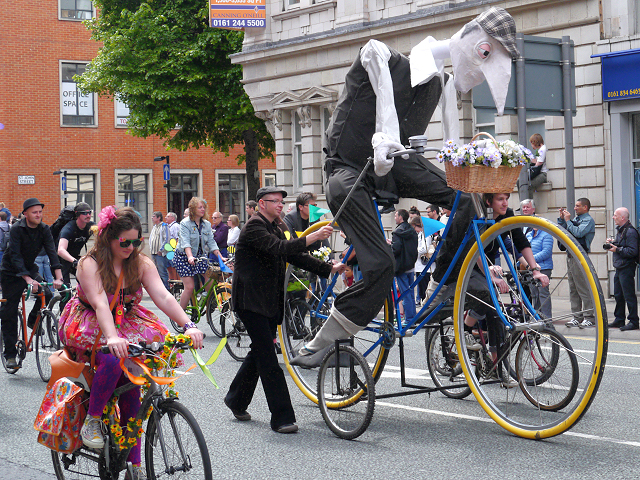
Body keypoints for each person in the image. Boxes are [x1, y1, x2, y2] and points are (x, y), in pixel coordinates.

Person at [292, 7, 519, 365]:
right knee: (382, 264)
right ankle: (323, 340)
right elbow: (382, 91)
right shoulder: (378, 53)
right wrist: (383, 137)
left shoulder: (440, 80)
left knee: (465, 199)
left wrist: (470, 159)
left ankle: (442, 280)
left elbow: (450, 135)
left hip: (396, 163)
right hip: (350, 169)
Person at [58, 206, 204, 479]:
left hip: (128, 319)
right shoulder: (90, 263)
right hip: (92, 320)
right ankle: (92, 419)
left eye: (137, 241)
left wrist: (189, 325)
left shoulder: (140, 262)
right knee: (113, 360)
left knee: (133, 383)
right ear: (107, 238)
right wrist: (112, 337)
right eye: (125, 241)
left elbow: (163, 297)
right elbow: (101, 304)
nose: (131, 247)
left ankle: (133, 464)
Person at [224, 186, 344, 434]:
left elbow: (294, 256)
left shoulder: (277, 227)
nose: (280, 204)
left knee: (259, 352)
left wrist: (327, 268)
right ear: (261, 203)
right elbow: (279, 249)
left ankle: (236, 400)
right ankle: (282, 417)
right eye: (274, 201)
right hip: (250, 302)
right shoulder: (254, 226)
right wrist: (312, 237)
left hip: (267, 301)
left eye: (281, 201)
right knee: (269, 359)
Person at [1, 198, 63, 368]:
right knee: (10, 311)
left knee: (47, 293)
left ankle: (32, 319)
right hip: (10, 272)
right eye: (34, 212)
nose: (38, 215)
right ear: (25, 214)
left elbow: (52, 252)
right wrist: (28, 279)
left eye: (40, 212)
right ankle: (10, 355)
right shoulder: (16, 229)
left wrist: (58, 278)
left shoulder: (44, 229)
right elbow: (15, 256)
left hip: (30, 269)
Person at [173, 197, 221, 311]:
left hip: (199, 256)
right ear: (193, 209)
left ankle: (209, 304)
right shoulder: (185, 223)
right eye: (200, 207)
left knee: (210, 279)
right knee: (189, 287)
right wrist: (189, 256)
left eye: (204, 207)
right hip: (183, 257)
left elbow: (211, 242)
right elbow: (185, 242)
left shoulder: (206, 224)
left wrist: (220, 256)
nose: (203, 209)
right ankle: (180, 316)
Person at [559, 198, 596, 328]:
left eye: (577, 206)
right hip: (570, 256)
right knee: (573, 288)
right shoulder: (576, 220)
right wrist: (562, 220)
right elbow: (563, 232)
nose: (574, 208)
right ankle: (577, 316)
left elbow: (578, 232)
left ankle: (589, 316)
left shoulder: (588, 220)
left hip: (580, 256)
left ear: (585, 207)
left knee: (583, 288)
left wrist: (568, 221)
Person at [606, 207, 639, 331]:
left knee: (629, 295)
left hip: (627, 267)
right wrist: (614, 243)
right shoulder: (621, 231)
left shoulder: (630, 232)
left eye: (615, 215)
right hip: (620, 267)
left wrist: (616, 249)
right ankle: (619, 319)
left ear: (622, 218)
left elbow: (633, 251)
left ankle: (634, 321)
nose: (613, 217)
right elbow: (623, 246)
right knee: (619, 295)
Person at [520, 199, 553, 319]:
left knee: (543, 294)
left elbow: (546, 252)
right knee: (534, 294)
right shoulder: (528, 235)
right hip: (531, 268)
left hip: (543, 267)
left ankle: (547, 319)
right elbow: (524, 249)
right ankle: (537, 317)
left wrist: (531, 260)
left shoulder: (546, 234)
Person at [391, 209, 418, 323]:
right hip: (411, 265)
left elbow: (396, 250)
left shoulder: (397, 232)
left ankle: (409, 319)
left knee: (405, 293)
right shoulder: (412, 230)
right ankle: (412, 317)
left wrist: (390, 246)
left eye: (396, 216)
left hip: (401, 266)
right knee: (410, 293)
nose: (395, 217)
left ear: (401, 217)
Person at [57, 202, 94, 286]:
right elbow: (60, 250)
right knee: (66, 291)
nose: (88, 215)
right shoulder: (69, 228)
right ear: (77, 215)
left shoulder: (91, 226)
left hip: (75, 258)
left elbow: (104, 231)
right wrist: (74, 261)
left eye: (89, 213)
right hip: (61, 261)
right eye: (84, 213)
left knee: (88, 282)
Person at [410, 216, 430, 304]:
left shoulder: (426, 234)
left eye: (415, 227)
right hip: (419, 266)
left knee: (425, 290)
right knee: (422, 290)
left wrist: (414, 252)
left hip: (424, 266)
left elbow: (425, 249)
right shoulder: (420, 234)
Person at [148, 211, 170, 290]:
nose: (152, 218)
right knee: (155, 272)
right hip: (153, 252)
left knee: (162, 272)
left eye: (154, 216)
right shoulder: (154, 227)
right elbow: (151, 238)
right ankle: (158, 289)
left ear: (159, 218)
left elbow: (167, 239)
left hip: (160, 254)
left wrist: (161, 250)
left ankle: (166, 289)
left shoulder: (164, 226)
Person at [528, 133, 548, 199]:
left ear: (535, 142)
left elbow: (539, 162)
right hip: (542, 173)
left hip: (543, 174)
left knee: (529, 186)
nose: (531, 145)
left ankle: (529, 204)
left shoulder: (542, 150)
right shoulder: (541, 149)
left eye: (531, 143)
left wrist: (533, 169)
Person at [165, 212, 180, 281]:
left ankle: (177, 282)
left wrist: (175, 250)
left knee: (174, 268)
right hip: (168, 250)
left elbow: (178, 239)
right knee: (169, 267)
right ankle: (171, 282)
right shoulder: (167, 226)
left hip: (173, 250)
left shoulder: (175, 226)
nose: (165, 218)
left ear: (172, 218)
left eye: (167, 216)